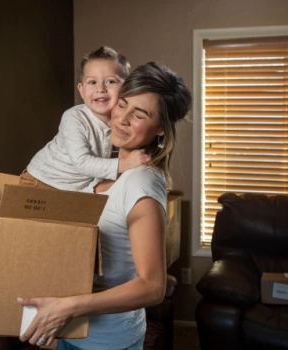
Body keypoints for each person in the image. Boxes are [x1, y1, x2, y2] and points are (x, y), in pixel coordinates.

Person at [18, 61, 192, 350]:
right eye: (122, 104)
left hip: (107, 341)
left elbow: (152, 287)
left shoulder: (142, 183)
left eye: (139, 114)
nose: (121, 119)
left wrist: (68, 307)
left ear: (161, 128)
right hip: (71, 332)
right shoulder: (104, 168)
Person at [21, 46, 148, 191]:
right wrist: (125, 163)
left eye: (110, 81)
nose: (100, 89)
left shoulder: (122, 121)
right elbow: (82, 162)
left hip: (73, 191)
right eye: (92, 82)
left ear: (126, 88)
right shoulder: (74, 118)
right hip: (41, 181)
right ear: (81, 90)